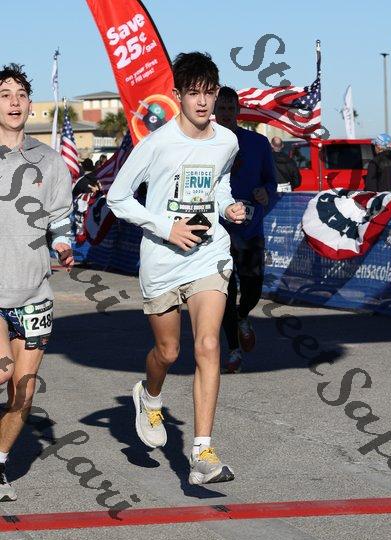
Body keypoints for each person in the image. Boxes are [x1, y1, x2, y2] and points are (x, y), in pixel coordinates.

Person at [107, 53, 245, 485]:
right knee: (168, 352)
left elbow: (220, 183)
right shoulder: (156, 144)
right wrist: (167, 229)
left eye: (209, 93)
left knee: (208, 344)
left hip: (209, 254)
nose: (202, 102)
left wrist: (229, 206)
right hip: (163, 260)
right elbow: (117, 197)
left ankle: (202, 452)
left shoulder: (227, 141)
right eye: (193, 93)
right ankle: (149, 396)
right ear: (177, 95)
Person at [0, 63, 74, 501]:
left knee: (23, 392)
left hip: (34, 293)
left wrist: (63, 244)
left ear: (30, 104)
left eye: (21, 95)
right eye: (4, 94)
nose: (14, 102)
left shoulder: (49, 159)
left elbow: (60, 216)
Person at [214, 87, 277, 374]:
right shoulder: (205, 143)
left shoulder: (257, 143)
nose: (226, 114)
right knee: (225, 291)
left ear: (238, 111)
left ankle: (243, 316)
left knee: (253, 287)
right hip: (218, 231)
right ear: (214, 111)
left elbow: (271, 181)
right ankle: (233, 350)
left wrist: (265, 192)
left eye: (231, 109)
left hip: (250, 230)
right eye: (222, 109)